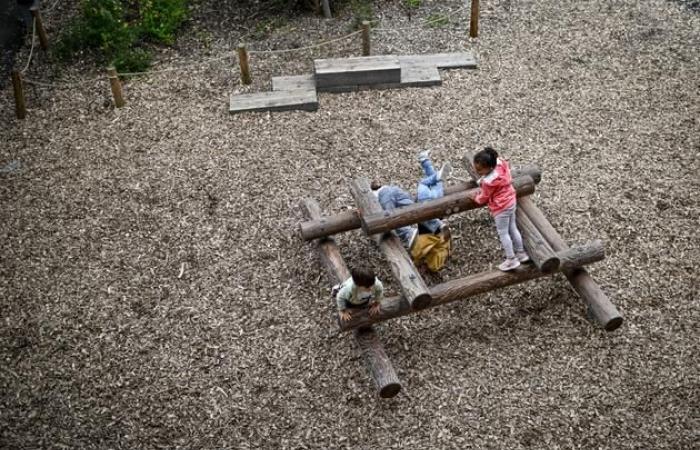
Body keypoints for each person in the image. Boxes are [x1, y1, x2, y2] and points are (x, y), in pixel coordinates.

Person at [468, 147, 530, 271]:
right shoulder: (501, 164)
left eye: (480, 169)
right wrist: (483, 177)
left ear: (490, 168)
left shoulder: (489, 182)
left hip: (500, 207)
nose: (476, 170)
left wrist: (475, 198)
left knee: (503, 233)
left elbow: (484, 197)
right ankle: (521, 254)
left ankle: (511, 259)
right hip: (511, 201)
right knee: (513, 228)